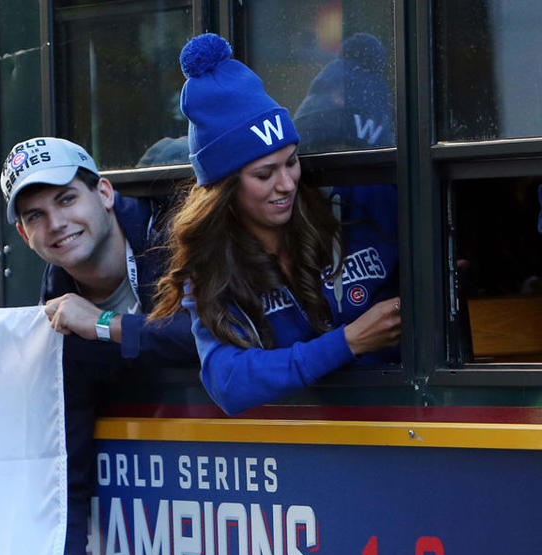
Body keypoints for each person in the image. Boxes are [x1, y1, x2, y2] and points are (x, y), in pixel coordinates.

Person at [0, 137, 198, 555]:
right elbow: (67, 447)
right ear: (26, 237)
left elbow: (214, 336)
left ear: (104, 193)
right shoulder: (56, 301)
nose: (57, 223)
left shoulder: (175, 229)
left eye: (67, 199)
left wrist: (105, 324)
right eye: (36, 216)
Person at [148, 33, 401, 416]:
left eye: (291, 162)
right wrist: (348, 342)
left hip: (405, 421)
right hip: (308, 451)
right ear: (225, 189)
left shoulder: (359, 203)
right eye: (264, 174)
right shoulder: (213, 266)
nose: (286, 184)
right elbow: (228, 382)